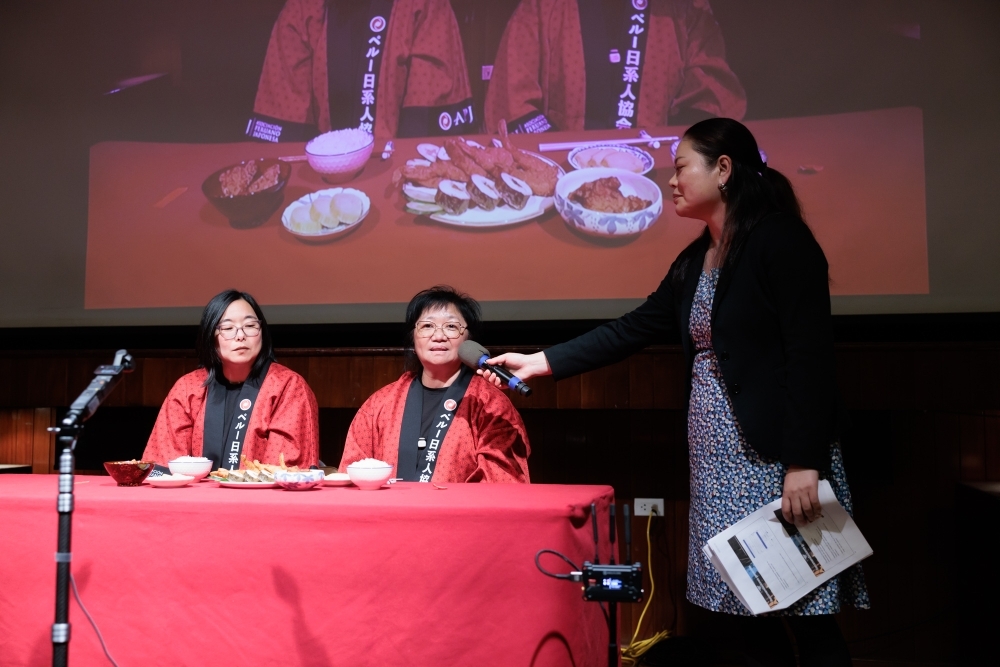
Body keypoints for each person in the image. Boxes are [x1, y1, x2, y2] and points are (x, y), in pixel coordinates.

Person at [483, 118, 868, 665]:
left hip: (775, 463)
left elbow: (810, 356)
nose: (671, 181)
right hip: (718, 466)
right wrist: (543, 362)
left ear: (724, 169)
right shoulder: (694, 261)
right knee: (742, 615)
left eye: (682, 166)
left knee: (805, 613)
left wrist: (802, 462)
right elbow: (633, 328)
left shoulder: (780, 240)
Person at [339, 286, 530, 484]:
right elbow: (353, 473)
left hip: (458, 514)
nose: (438, 336)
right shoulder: (380, 404)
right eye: (427, 326)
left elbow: (502, 484)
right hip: (388, 514)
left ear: (469, 341)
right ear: (413, 338)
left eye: (451, 327)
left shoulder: (491, 405)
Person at [484, 0, 746, 134]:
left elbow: (711, 98)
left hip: (659, 176)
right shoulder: (544, 5)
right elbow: (511, 102)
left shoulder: (685, 8)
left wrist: (684, 156)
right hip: (563, 177)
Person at [247, 0, 475, 143]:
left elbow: (425, 140)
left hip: (399, 181)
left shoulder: (425, 6)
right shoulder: (303, 9)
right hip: (323, 184)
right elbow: (286, 138)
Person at [143, 290, 320, 472]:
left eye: (250, 325)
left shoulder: (287, 386)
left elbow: (285, 469)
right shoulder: (188, 389)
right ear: (210, 337)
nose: (240, 335)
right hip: (195, 498)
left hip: (261, 497)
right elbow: (165, 465)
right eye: (227, 328)